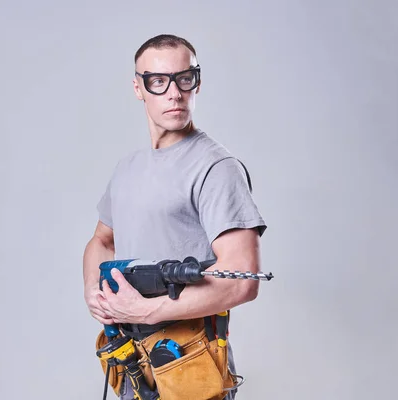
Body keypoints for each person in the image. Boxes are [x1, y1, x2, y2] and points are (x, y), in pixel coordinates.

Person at [82, 33, 267, 400]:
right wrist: (94, 292)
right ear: (139, 87)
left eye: (185, 79)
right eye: (158, 81)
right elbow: (101, 240)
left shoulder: (216, 167)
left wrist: (147, 310)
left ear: (197, 82)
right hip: (132, 361)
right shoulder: (128, 168)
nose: (174, 92)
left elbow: (243, 280)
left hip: (188, 361)